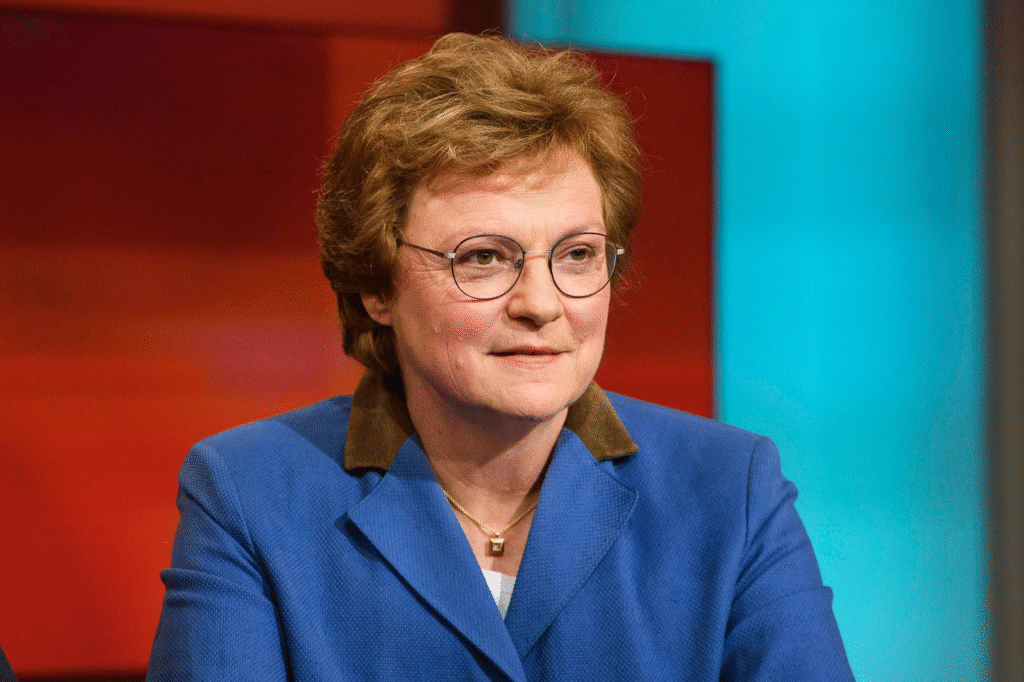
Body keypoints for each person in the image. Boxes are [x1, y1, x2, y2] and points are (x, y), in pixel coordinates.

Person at [148, 33, 855, 681]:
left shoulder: (732, 490)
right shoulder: (248, 493)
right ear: (376, 285)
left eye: (576, 255)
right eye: (484, 257)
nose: (541, 304)